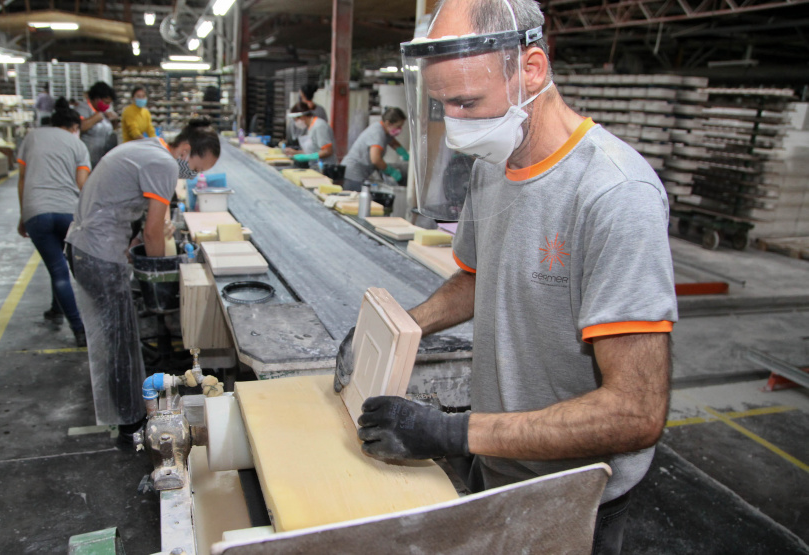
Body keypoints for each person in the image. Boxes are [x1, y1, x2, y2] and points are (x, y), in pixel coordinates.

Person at [334, 0, 677, 553]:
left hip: (570, 494)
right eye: (443, 105)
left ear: (531, 69)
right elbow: (478, 277)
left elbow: (635, 412)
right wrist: (397, 326)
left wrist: (448, 432)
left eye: (468, 103)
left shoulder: (615, 195)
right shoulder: (493, 166)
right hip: (497, 459)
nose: (457, 126)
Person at [65, 120, 220, 444]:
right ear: (185, 150)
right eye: (194, 168)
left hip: (88, 247)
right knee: (119, 343)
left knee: (118, 339)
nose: (191, 176)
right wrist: (159, 276)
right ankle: (130, 426)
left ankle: (128, 415)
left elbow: (130, 208)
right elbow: (152, 232)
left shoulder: (149, 148)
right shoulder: (164, 163)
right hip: (98, 254)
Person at [16, 98, 91, 346]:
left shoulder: (32, 137)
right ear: (74, 127)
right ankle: (80, 328)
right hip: (68, 213)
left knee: (56, 266)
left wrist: (23, 215)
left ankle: (59, 310)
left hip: (36, 211)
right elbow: (82, 184)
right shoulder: (78, 144)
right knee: (66, 267)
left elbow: (22, 179)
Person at [341, 107, 409, 192]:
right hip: (353, 174)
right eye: (398, 126)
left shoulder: (385, 131)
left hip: (358, 173)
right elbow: (376, 159)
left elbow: (394, 143)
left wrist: (404, 154)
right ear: (388, 123)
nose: (399, 130)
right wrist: (391, 172)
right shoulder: (378, 133)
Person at [75, 81, 118, 167]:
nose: (107, 106)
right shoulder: (83, 109)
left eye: (109, 104)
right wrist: (96, 118)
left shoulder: (104, 113)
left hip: (101, 160)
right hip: (86, 160)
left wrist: (114, 121)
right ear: (97, 99)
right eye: (106, 102)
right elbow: (80, 127)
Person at [284, 102, 337, 166]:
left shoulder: (319, 126)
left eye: (296, 120)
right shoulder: (309, 128)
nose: (296, 123)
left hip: (325, 167)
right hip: (314, 166)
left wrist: (307, 157)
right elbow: (312, 151)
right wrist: (295, 153)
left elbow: (327, 151)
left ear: (302, 117)